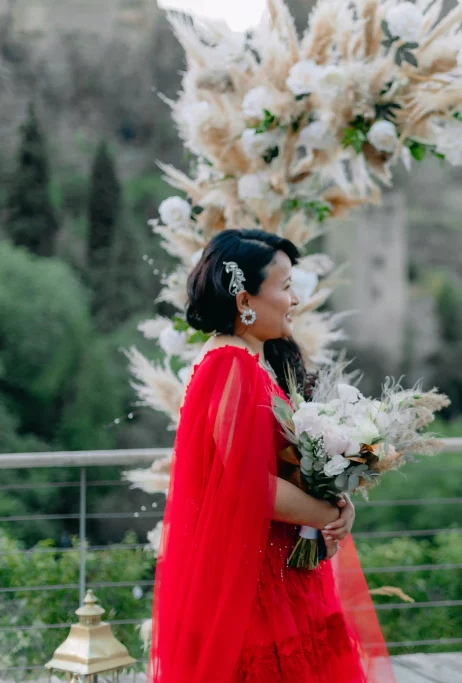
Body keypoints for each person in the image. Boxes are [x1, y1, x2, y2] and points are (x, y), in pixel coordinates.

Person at [149, 229, 393, 683]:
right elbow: (245, 485)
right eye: (284, 287)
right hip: (255, 585)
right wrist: (326, 510)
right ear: (245, 299)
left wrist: (336, 496)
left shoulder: (249, 361)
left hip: (276, 570)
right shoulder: (230, 365)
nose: (295, 299)